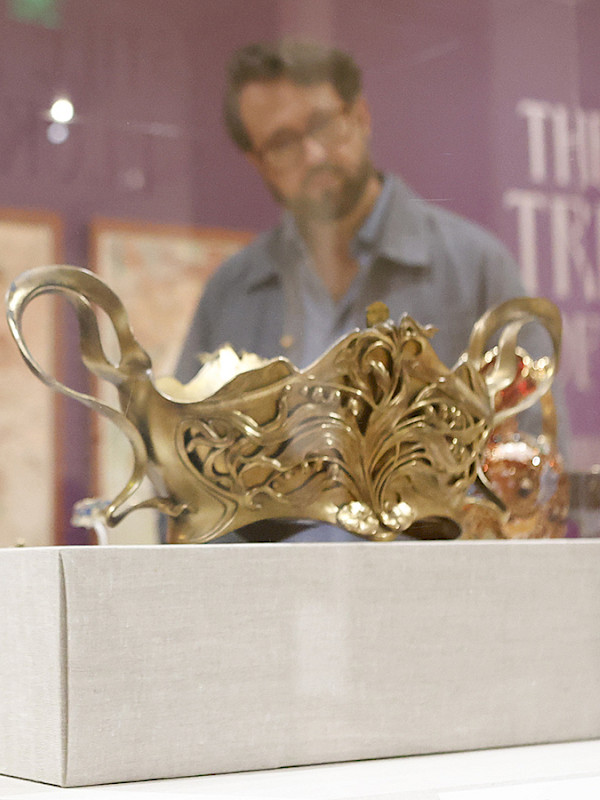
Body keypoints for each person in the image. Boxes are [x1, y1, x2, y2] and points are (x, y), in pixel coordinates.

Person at [174, 39, 557, 543]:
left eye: (322, 124)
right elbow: (188, 486)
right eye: (284, 142)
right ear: (258, 160)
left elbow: (539, 482)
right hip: (269, 611)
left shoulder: (476, 269)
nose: (313, 154)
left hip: (439, 609)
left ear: (360, 115)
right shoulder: (230, 292)